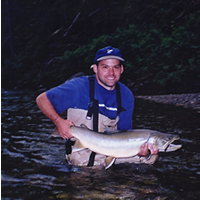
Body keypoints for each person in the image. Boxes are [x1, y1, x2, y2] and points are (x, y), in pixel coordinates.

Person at [36, 46, 158, 167]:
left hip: (112, 148)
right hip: (83, 151)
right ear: (95, 68)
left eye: (115, 67)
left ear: (121, 70)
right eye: (105, 67)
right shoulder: (78, 87)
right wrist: (59, 122)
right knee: (90, 176)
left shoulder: (126, 95)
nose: (111, 73)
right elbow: (42, 99)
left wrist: (142, 152)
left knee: (150, 157)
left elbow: (124, 133)